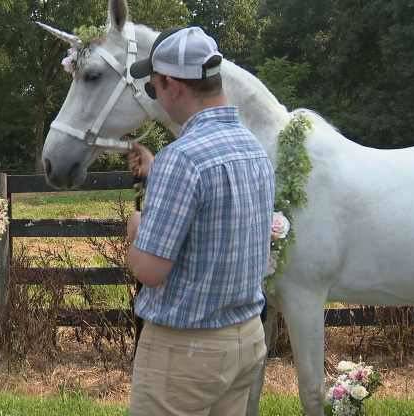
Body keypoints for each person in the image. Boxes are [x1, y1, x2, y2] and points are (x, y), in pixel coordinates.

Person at [125, 27, 276, 416]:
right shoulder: (253, 149)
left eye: (154, 87)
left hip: (184, 354)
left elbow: (149, 270)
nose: (156, 97)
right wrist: (159, 172)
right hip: (245, 337)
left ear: (172, 85)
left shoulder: (183, 158)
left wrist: (137, 227)